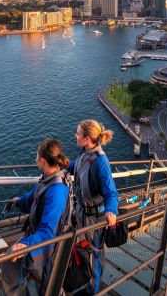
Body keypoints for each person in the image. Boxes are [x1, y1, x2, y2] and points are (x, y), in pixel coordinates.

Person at [1, 138, 72, 296]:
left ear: (41, 160)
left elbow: (48, 231)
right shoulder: (48, 178)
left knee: (46, 284)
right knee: (45, 283)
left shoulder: (57, 191)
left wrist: (25, 244)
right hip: (39, 239)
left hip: (46, 244)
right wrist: (18, 202)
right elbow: (33, 197)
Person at [68, 119, 119, 295]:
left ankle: (93, 291)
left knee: (95, 256)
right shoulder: (85, 153)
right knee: (84, 251)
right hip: (82, 214)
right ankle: (84, 283)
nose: (75, 136)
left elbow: (111, 192)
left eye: (78, 134)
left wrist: (111, 211)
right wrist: (63, 163)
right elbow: (77, 167)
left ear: (87, 138)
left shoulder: (101, 161)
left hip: (94, 220)